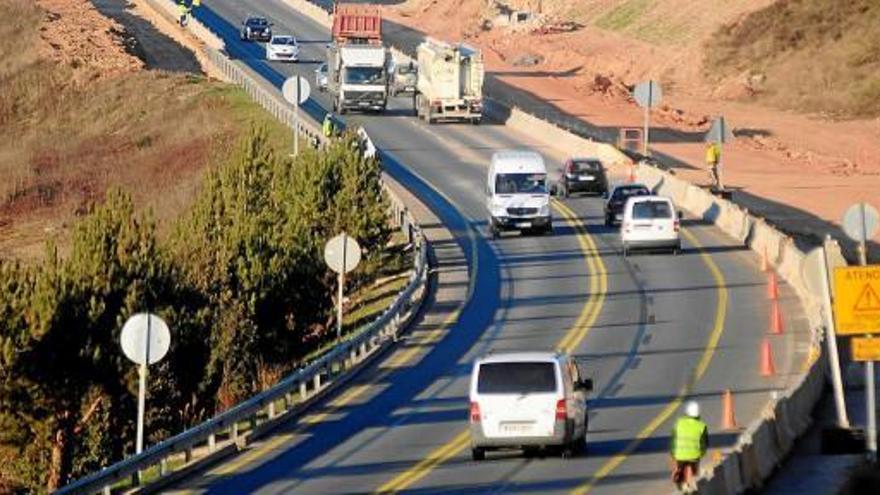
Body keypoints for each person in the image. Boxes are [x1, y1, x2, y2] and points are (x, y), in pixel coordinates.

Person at [670, 400, 708, 488]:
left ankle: (678, 475)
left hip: (679, 455)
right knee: (694, 471)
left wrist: (672, 454)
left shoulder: (678, 424)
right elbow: (704, 444)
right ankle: (693, 479)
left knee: (678, 464)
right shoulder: (702, 426)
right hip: (695, 455)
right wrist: (702, 453)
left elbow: (673, 442)